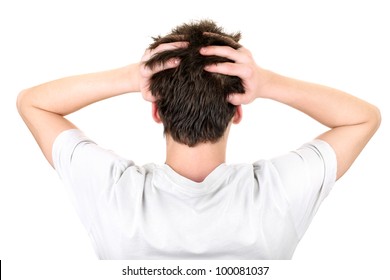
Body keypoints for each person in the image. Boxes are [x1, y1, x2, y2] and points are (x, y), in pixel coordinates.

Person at [17, 20, 381, 259]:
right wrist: (268, 83)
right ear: (237, 112)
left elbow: (32, 103)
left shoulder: (113, 193)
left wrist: (133, 76)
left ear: (156, 112)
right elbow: (363, 118)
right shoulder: (276, 194)